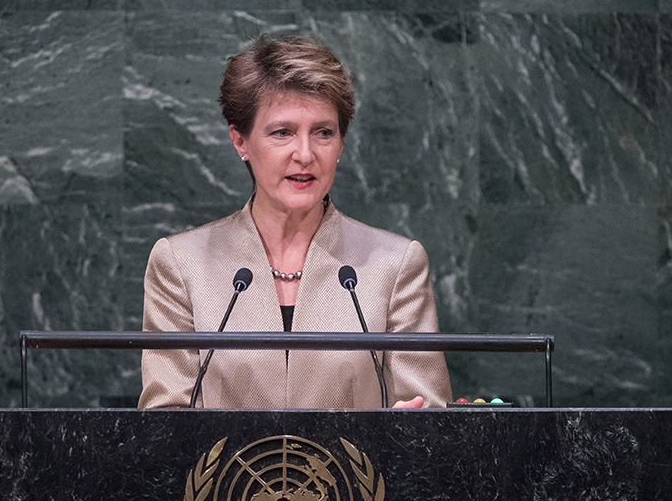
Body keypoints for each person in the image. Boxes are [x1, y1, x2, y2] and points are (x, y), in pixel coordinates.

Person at [138, 35, 452, 409]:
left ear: (341, 143)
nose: (305, 154)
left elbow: (430, 421)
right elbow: (163, 429)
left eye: (323, 133)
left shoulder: (395, 265)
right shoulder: (181, 264)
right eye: (282, 132)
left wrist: (410, 433)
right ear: (241, 141)